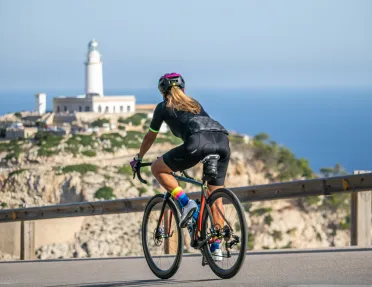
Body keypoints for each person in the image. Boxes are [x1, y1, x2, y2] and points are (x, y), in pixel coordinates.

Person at [130, 72, 230, 261]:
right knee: (216, 198)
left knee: (158, 168)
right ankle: (216, 247)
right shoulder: (194, 103)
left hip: (198, 143)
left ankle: (186, 203)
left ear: (162, 92)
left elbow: (150, 136)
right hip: (222, 141)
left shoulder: (162, 107)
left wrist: (139, 157)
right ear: (183, 89)